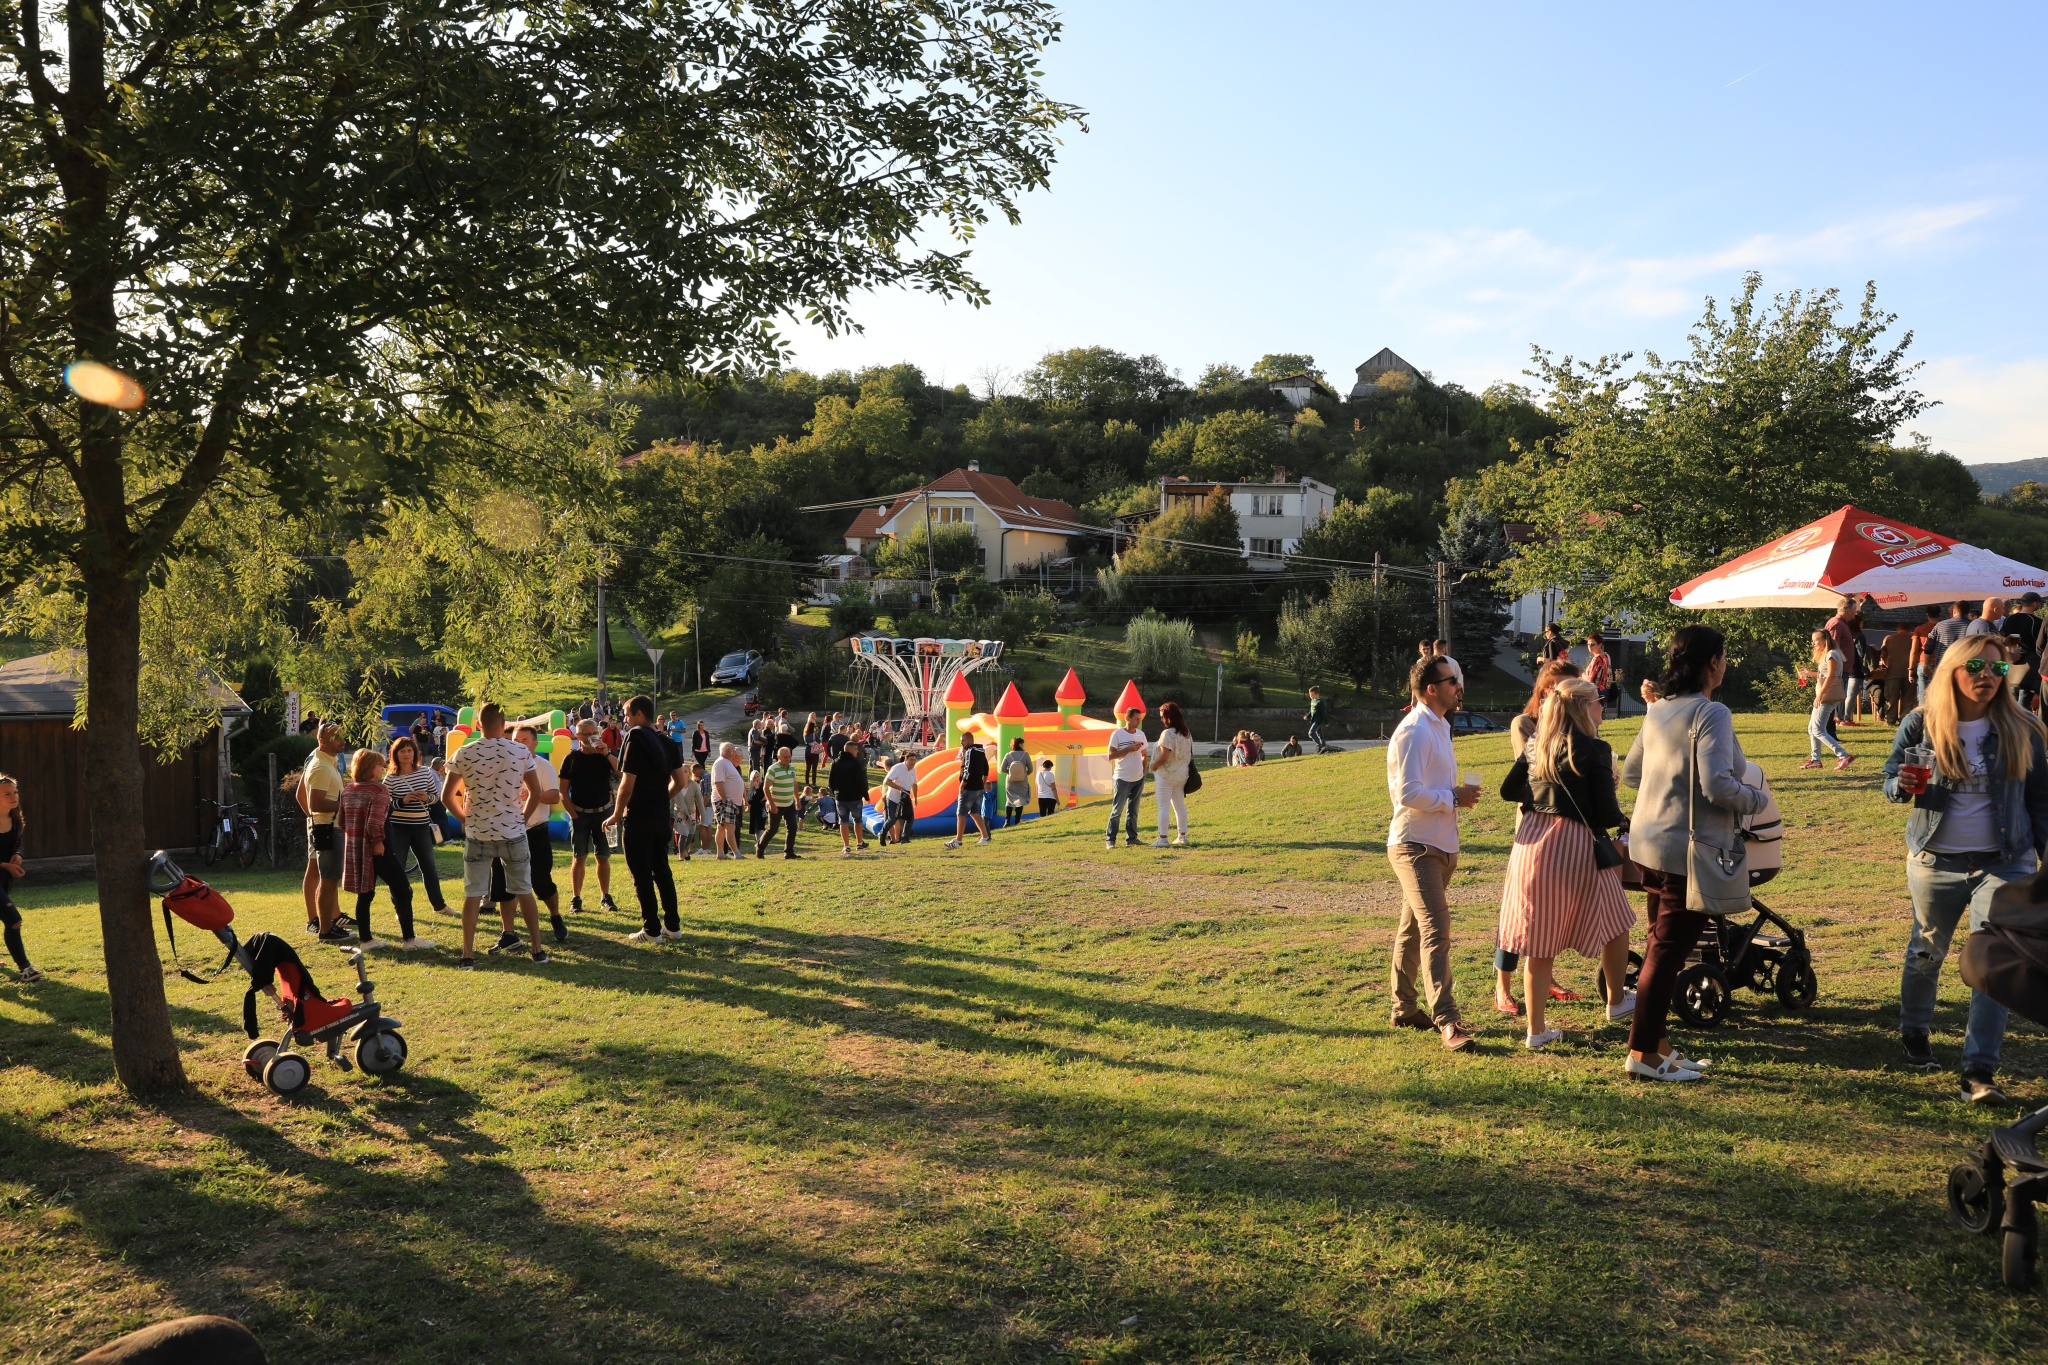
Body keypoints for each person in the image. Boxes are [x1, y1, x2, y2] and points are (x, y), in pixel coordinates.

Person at [1882, 634, 2048, 1101]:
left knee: (1994, 962)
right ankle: (1915, 1029)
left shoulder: (2024, 727)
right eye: (1975, 667)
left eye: (1997, 669)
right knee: (1927, 952)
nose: (1987, 676)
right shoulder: (1921, 723)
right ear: (1952, 671)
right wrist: (1902, 785)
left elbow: (2040, 800)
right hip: (1936, 859)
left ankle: (1979, 1070)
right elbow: (1889, 779)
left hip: (2005, 861)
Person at [1620, 625, 1770, 1082]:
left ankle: (1658, 1046)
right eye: (1724, 656)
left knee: (1659, 947)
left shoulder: (1660, 709)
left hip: (1647, 844)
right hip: (1687, 851)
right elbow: (1719, 785)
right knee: (1667, 954)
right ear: (1713, 662)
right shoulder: (1711, 712)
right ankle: (1643, 1054)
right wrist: (1756, 799)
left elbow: (1631, 775)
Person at [1497, 678, 1635, 1050]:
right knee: (1618, 920)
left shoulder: (1536, 743)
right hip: (1575, 844)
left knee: (1538, 941)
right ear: (1583, 707)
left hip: (1531, 842)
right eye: (1598, 700)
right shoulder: (1595, 749)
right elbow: (1606, 814)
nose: (1603, 706)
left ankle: (1536, 1031)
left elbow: (1508, 791)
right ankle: (1616, 1001)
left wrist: (1543, 793)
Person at [1386, 655, 1481, 1051]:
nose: (1458, 686)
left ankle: (1403, 1008)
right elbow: (1407, 793)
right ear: (1430, 689)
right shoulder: (1415, 730)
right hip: (1415, 845)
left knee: (1413, 929)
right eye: (1451, 681)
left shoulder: (1439, 726)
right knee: (1436, 930)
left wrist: (1455, 797)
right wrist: (1452, 797)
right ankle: (1448, 1020)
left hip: (1440, 843)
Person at [1496, 660, 1583, 1018]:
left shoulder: (1576, 727)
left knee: (1548, 913)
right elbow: (1536, 773)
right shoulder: (1525, 724)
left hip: (1564, 831)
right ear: (1546, 690)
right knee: (1519, 912)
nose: (1568, 695)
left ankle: (1545, 978)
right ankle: (1502, 987)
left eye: (1574, 687)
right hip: (1533, 829)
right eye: (1562, 687)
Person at [443, 703, 552, 968]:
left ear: (479, 724)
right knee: (524, 890)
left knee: (473, 894)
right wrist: (522, 820)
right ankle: (537, 950)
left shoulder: (464, 752)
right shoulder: (520, 751)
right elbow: (536, 793)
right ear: (504, 725)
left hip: (478, 833)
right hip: (513, 831)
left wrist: (465, 820)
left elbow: (446, 796)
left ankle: (467, 955)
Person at [608, 694, 684, 942]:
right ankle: (673, 927)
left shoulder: (635, 737)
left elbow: (626, 784)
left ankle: (651, 930)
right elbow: (680, 781)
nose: (625, 721)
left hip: (639, 816)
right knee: (662, 871)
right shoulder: (668, 742)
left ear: (639, 714)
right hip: (661, 817)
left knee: (641, 874)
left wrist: (616, 813)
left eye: (627, 715)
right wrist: (661, 798)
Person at [491, 724, 565, 948]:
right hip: (505, 831)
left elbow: (554, 797)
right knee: (503, 884)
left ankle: (555, 916)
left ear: (535, 743)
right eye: (515, 740)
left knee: (541, 881)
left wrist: (533, 794)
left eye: (524, 740)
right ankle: (508, 933)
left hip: (535, 831)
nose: (519, 744)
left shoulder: (543, 766)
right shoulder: (502, 764)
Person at [337, 750, 408, 951]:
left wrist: (356, 835)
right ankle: (409, 939)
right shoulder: (379, 790)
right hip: (380, 849)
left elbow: (342, 821)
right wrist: (377, 841)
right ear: (369, 767)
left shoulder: (348, 789)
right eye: (379, 765)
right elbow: (374, 823)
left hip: (358, 849)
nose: (382, 768)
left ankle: (366, 940)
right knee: (403, 890)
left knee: (365, 894)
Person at [381, 736, 447, 920]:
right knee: (398, 870)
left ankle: (439, 905)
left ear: (415, 753)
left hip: (421, 827)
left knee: (429, 867)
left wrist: (427, 798)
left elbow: (435, 797)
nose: (406, 754)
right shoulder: (390, 778)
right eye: (402, 751)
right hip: (398, 829)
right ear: (395, 754)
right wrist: (403, 801)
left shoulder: (425, 772)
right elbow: (384, 805)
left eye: (409, 750)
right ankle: (400, 908)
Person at [560, 720, 621, 914]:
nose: (592, 737)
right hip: (580, 815)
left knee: (603, 857)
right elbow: (563, 791)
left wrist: (607, 753)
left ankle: (605, 896)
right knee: (579, 857)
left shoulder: (604, 755)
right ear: (578, 736)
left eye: (594, 733)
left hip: (604, 814)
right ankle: (576, 898)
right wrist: (573, 814)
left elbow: (621, 772)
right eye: (586, 734)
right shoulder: (571, 759)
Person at [299, 723, 347, 941]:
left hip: (328, 827)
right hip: (327, 828)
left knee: (328, 879)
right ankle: (325, 930)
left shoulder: (328, 763)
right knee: (328, 881)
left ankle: (327, 925)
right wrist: (346, 805)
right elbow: (315, 803)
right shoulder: (320, 766)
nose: (341, 740)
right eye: (335, 737)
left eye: (342, 736)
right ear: (322, 741)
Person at [0, 775, 39, 981]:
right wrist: (5, 865)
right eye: (7, 794)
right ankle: (26, 969)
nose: (13, 797)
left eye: (15, 792)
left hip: (3, 879)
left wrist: (18, 855)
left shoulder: (15, 820)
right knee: (13, 920)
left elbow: (18, 844)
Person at [1801, 628, 1854, 771]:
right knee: (1812, 728)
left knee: (1818, 729)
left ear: (1824, 640)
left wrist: (1820, 695)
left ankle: (1843, 755)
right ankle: (1815, 760)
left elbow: (1831, 676)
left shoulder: (1831, 654)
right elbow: (1824, 674)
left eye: (1815, 641)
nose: (1813, 644)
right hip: (1826, 694)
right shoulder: (1830, 654)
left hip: (1827, 695)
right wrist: (1809, 673)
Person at [1149, 700, 1194, 848]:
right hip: (1182, 775)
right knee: (1179, 805)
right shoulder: (1186, 733)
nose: (1162, 719)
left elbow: (1164, 756)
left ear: (1169, 716)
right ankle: (1182, 836)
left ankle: (1162, 838)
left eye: (1163, 716)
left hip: (1166, 774)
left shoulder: (1168, 733)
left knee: (1163, 806)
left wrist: (1153, 766)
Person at [1103, 706, 1147, 850]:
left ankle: (1132, 839)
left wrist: (1144, 772)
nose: (1138, 722)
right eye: (1136, 719)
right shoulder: (1117, 735)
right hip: (1122, 778)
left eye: (1140, 719)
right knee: (1117, 811)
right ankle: (1110, 840)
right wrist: (1128, 749)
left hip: (1138, 778)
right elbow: (1111, 756)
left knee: (1133, 811)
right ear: (1127, 718)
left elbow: (1144, 754)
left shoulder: (1141, 734)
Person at [946, 730, 993, 849]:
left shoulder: (970, 752)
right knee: (974, 812)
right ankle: (985, 836)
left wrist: (962, 785)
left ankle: (958, 840)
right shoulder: (981, 751)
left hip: (969, 788)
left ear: (970, 740)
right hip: (978, 788)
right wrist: (982, 783)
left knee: (960, 814)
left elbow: (968, 770)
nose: (961, 743)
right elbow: (986, 769)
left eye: (963, 740)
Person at [757, 745, 802, 859]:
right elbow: (765, 788)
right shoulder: (773, 769)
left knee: (792, 827)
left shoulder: (792, 767)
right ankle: (760, 848)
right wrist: (771, 804)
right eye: (785, 757)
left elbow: (794, 784)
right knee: (772, 829)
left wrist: (797, 800)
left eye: (789, 757)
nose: (788, 759)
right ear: (778, 757)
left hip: (789, 803)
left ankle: (789, 852)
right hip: (776, 804)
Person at [830, 739, 871, 854]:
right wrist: (866, 795)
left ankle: (846, 846)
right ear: (850, 750)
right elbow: (861, 781)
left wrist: (835, 792)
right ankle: (859, 843)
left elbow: (831, 780)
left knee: (843, 821)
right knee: (857, 820)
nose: (857, 751)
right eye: (856, 749)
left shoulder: (835, 762)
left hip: (840, 797)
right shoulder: (855, 763)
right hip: (854, 797)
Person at [710, 742, 747, 859]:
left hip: (729, 801)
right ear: (728, 751)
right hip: (724, 800)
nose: (735, 753)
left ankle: (720, 854)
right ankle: (737, 854)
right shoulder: (721, 763)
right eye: (733, 750)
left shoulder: (727, 763)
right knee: (730, 826)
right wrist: (725, 800)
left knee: (721, 827)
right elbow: (718, 783)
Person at [1879, 619, 1917, 724]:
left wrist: (1888, 665)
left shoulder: (1889, 639)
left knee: (1892, 698)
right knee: (1908, 698)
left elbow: (1882, 655)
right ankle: (1904, 720)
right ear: (1910, 630)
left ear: (1898, 629)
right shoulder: (1913, 639)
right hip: (1910, 673)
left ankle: (1890, 720)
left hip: (1893, 673)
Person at [1911, 604, 1944, 707]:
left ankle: (1923, 715)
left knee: (1923, 695)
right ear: (1940, 614)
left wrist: (1911, 669)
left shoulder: (1919, 629)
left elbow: (1914, 651)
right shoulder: (1944, 628)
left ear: (1927, 615)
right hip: (1940, 664)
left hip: (1923, 663)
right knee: (1938, 695)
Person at [672, 761, 705, 859]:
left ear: (689, 773)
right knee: (683, 833)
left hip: (691, 813)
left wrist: (702, 815)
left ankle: (684, 851)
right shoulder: (674, 785)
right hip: (680, 812)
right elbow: (669, 800)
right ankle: (681, 854)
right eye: (681, 771)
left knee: (690, 833)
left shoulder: (694, 786)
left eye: (685, 771)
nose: (683, 773)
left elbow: (699, 801)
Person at [884, 751, 918, 845]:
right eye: (911, 760)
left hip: (905, 798)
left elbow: (914, 784)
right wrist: (899, 788)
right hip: (893, 797)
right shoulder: (898, 768)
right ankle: (883, 834)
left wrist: (915, 797)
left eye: (914, 760)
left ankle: (904, 838)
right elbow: (888, 781)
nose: (913, 762)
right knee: (892, 819)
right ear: (906, 760)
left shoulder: (913, 770)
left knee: (910, 818)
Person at [1002, 737, 1033, 828]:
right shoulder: (1025, 754)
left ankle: (1007, 821)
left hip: (1010, 781)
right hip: (1022, 781)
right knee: (1020, 800)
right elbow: (1030, 769)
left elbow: (1002, 769)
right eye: (1023, 744)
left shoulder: (1008, 755)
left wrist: (1011, 773)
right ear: (1020, 744)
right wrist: (1023, 774)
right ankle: (1017, 821)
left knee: (1009, 800)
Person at [1584, 635, 1616, 711]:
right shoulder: (1607, 656)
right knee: (1599, 714)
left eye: (1592, 644)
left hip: (1595, 692)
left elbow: (1591, 680)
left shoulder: (1597, 659)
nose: (1589, 647)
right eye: (1588, 644)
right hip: (1605, 690)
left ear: (1600, 645)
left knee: (1591, 715)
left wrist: (1583, 675)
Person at [1304, 686, 1331, 754]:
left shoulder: (1320, 702)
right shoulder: (1313, 701)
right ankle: (1324, 746)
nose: (1311, 696)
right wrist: (1307, 716)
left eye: (1312, 695)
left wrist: (1326, 722)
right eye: (1310, 695)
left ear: (1317, 694)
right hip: (1314, 720)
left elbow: (1323, 713)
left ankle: (1319, 746)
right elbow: (1312, 711)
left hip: (1318, 721)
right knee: (1319, 734)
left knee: (1311, 733)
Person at [802, 714, 822, 787]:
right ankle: (813, 783)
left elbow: (806, 741)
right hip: (814, 751)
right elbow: (819, 740)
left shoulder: (805, 733)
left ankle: (807, 782)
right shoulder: (814, 733)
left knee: (808, 768)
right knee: (814, 768)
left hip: (807, 750)